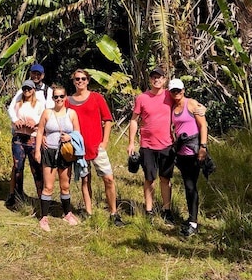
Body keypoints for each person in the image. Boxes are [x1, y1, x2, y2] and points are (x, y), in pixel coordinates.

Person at [66, 69, 125, 227]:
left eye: (83, 78)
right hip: (79, 149)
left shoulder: (97, 98)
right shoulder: (67, 101)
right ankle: (89, 212)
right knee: (86, 181)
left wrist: (104, 142)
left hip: (96, 146)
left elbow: (108, 120)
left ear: (88, 80)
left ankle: (114, 213)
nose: (80, 81)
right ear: (73, 81)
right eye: (77, 79)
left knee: (109, 179)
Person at [127, 66, 176, 222]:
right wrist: (131, 143)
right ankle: (148, 210)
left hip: (167, 144)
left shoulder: (170, 96)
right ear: (150, 79)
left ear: (164, 79)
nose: (157, 79)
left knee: (165, 179)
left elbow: (185, 104)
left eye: (159, 77)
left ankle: (166, 210)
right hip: (147, 145)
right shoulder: (142, 98)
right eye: (154, 77)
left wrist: (199, 108)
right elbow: (134, 120)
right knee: (149, 178)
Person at [33, 85, 81, 231]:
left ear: (65, 97)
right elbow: (40, 131)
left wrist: (69, 137)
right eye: (56, 97)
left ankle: (67, 213)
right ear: (52, 98)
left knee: (65, 185)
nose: (59, 99)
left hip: (65, 153)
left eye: (61, 96)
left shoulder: (71, 113)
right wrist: (37, 150)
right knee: (48, 186)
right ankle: (44, 217)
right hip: (49, 152)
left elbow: (77, 132)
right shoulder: (47, 113)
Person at [169, 78, 209, 236]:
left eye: (178, 90)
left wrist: (203, 147)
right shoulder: (172, 107)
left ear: (183, 90)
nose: (176, 93)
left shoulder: (191, 104)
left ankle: (193, 222)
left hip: (193, 151)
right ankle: (191, 218)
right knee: (187, 185)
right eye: (173, 91)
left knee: (191, 186)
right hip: (181, 153)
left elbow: (203, 125)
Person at [5, 80, 45, 208]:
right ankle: (17, 198)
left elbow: (44, 118)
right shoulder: (18, 104)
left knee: (37, 169)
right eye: (25, 89)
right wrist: (16, 121)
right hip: (19, 138)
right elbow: (11, 114)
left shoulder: (39, 104)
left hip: (32, 138)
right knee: (18, 167)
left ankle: (42, 198)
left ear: (33, 90)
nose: (27, 91)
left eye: (29, 89)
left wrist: (35, 122)